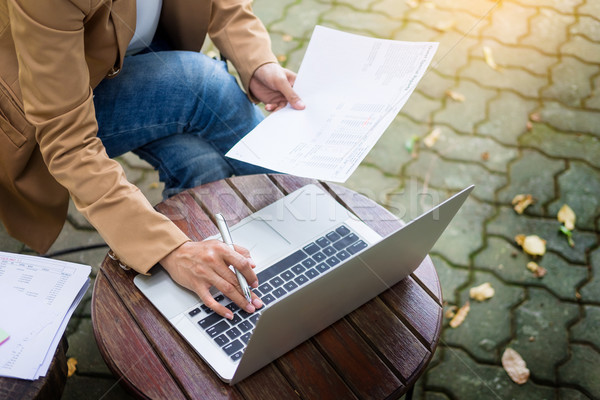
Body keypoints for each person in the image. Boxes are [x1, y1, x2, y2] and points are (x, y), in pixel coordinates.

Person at [0, 0, 304, 319]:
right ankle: (305, 214)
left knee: (201, 164)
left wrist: (256, 62)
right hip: (47, 98)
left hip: (135, 50)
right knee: (204, 84)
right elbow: (68, 141)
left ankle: (208, 308)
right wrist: (168, 248)